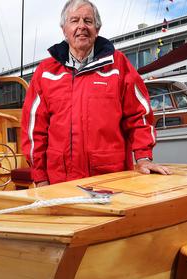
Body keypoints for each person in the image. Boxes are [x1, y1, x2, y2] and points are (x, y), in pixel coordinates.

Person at [21, 0, 170, 187]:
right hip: (59, 182)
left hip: (111, 180)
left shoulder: (118, 65)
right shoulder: (46, 72)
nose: (81, 26)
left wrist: (143, 158)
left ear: (97, 29)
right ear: (64, 29)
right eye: (74, 20)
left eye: (88, 21)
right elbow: (34, 130)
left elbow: (139, 115)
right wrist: (40, 176)